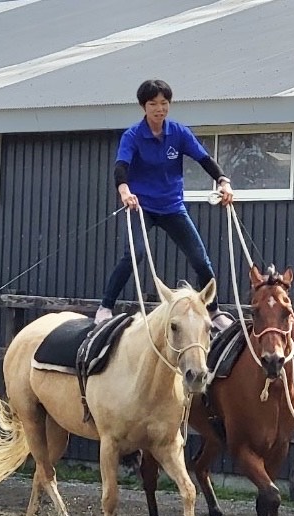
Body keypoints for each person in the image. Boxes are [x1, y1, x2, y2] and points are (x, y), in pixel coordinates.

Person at [94, 79, 235, 331]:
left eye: (164, 103)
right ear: (143, 107)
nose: (159, 108)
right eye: (153, 104)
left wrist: (223, 181)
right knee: (134, 254)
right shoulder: (133, 135)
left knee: (201, 260)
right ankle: (105, 306)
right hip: (142, 206)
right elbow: (121, 166)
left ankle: (213, 311)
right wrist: (124, 191)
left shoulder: (178, 133)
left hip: (172, 206)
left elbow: (204, 159)